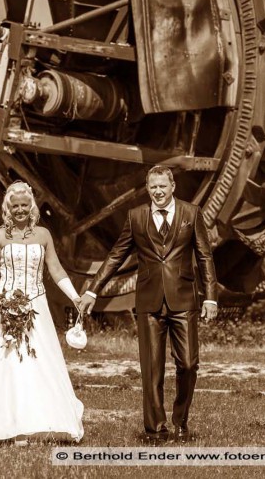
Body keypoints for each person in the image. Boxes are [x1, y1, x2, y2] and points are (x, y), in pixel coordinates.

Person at [78, 165, 218, 443]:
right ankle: (155, 429)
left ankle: (181, 421)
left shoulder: (192, 214)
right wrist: (93, 291)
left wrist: (211, 296)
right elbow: (116, 256)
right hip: (149, 302)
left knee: (189, 364)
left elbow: (204, 257)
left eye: (162, 186)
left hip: (184, 299)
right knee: (151, 368)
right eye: (153, 187)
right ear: (148, 188)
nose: (158, 191)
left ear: (172, 186)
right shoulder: (136, 217)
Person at [0, 181, 84, 444]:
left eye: (25, 205)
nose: (21, 210)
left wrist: (75, 296)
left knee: (40, 362)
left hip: (37, 306)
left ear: (32, 206)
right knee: (9, 365)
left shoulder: (44, 235)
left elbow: (56, 270)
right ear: (8, 208)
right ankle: (8, 425)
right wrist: (1, 299)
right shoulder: (1, 236)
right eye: (15, 206)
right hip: (6, 306)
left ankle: (44, 420)